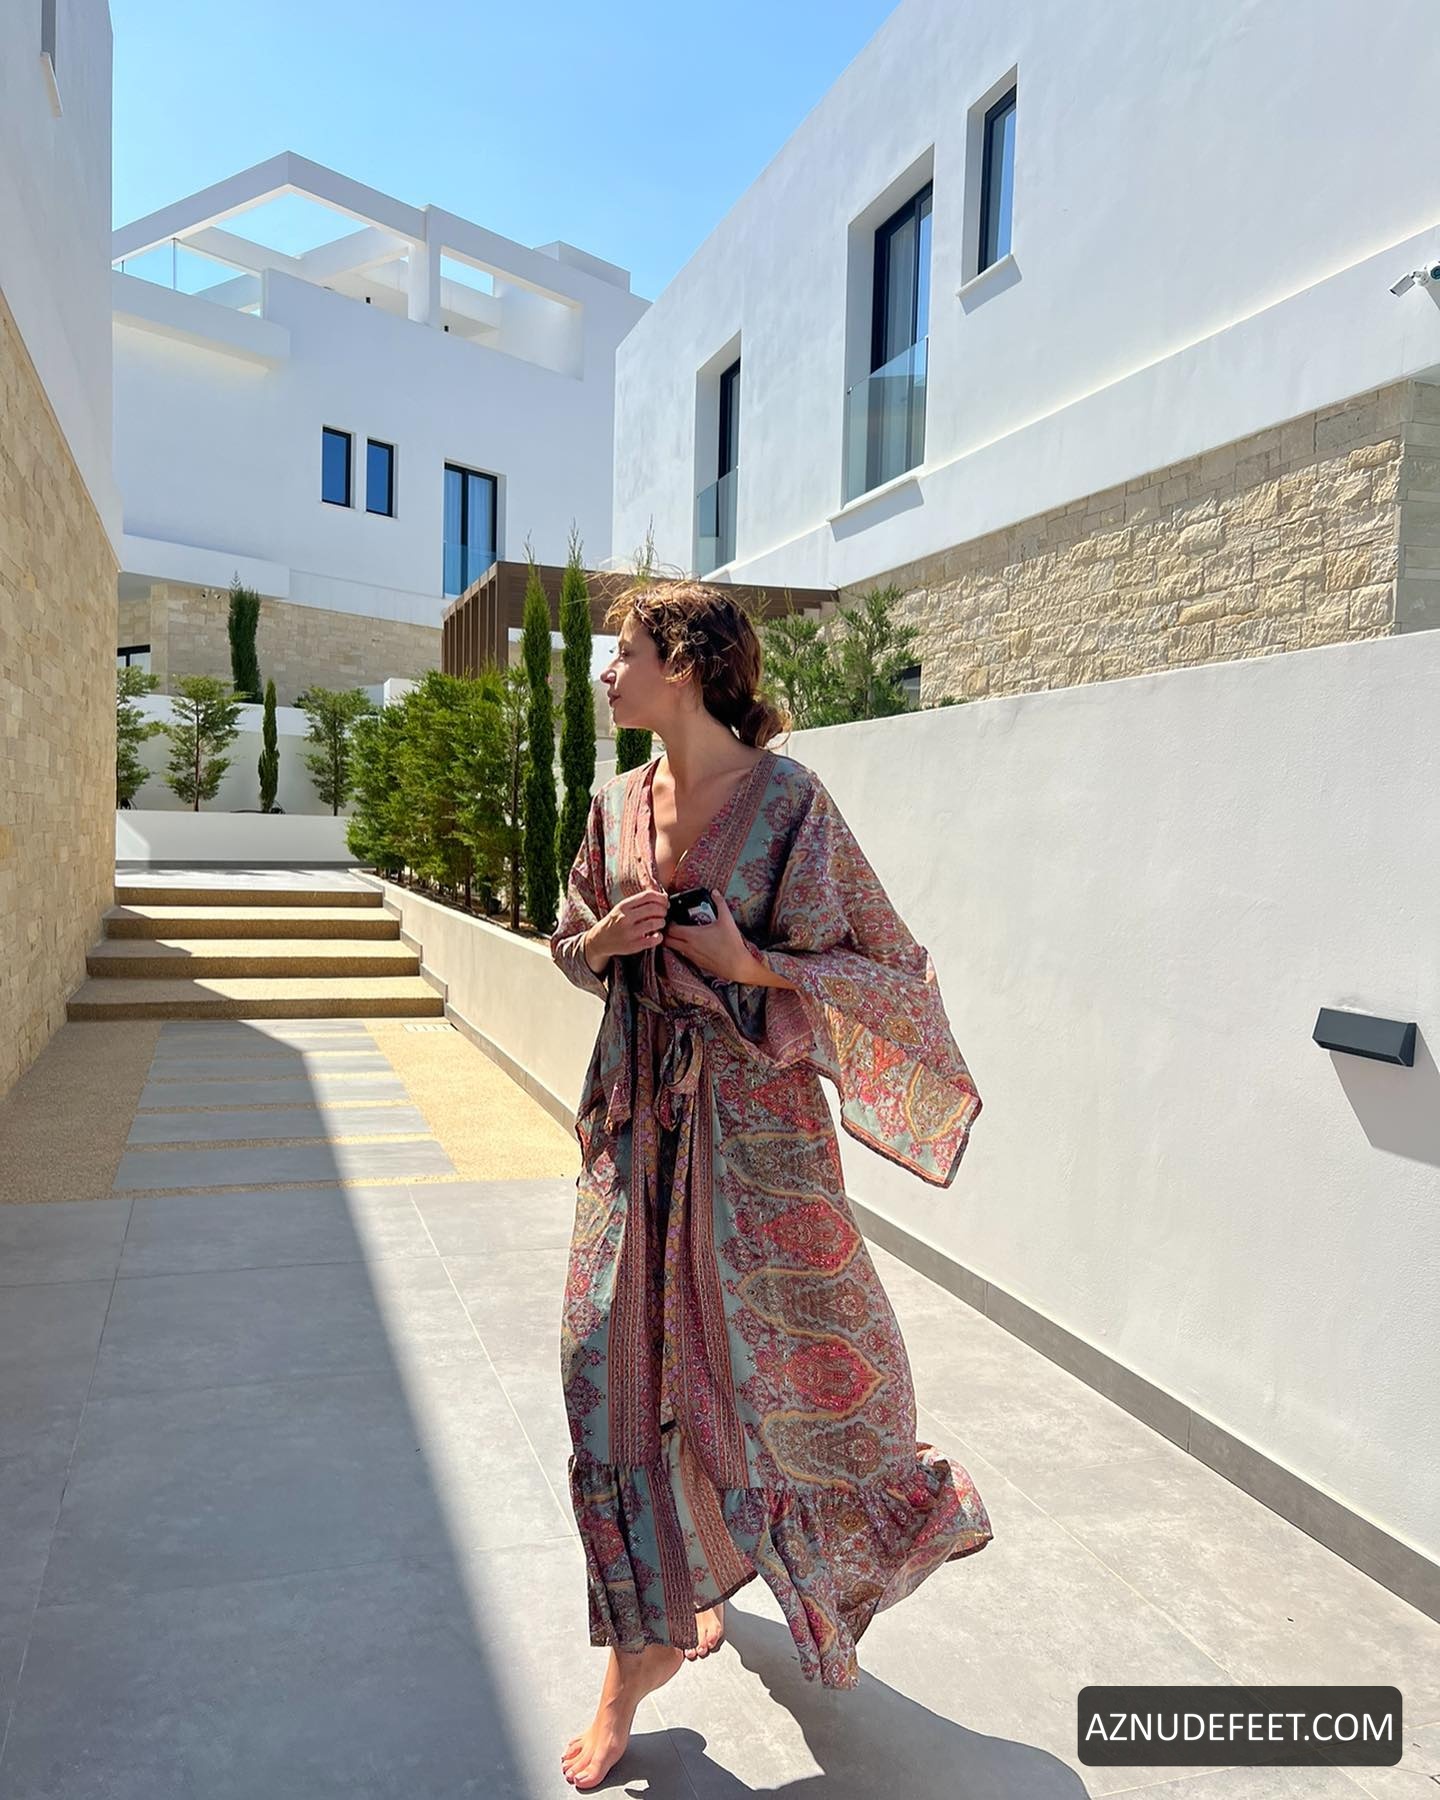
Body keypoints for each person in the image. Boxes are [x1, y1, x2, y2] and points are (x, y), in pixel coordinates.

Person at [549, 578, 993, 1791]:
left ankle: (672, 1628)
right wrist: (602, 944)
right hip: (636, 1132)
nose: (607, 672)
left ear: (685, 664)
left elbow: (888, 971)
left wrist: (744, 960)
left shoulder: (792, 806)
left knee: (772, 1375)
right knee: (608, 1365)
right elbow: (568, 939)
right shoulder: (613, 806)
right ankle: (647, 1632)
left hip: (757, 1142)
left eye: (624, 651)